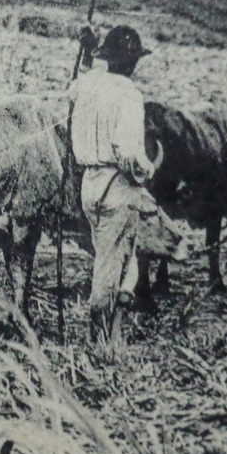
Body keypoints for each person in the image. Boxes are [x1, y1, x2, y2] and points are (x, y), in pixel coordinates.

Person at [69, 24, 184, 351]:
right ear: (132, 62)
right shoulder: (130, 96)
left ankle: (113, 331)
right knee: (110, 264)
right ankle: (100, 342)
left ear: (108, 58)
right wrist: (147, 169)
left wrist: (87, 53)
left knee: (117, 256)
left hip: (88, 184)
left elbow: (74, 87)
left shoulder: (86, 85)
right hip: (116, 186)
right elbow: (127, 151)